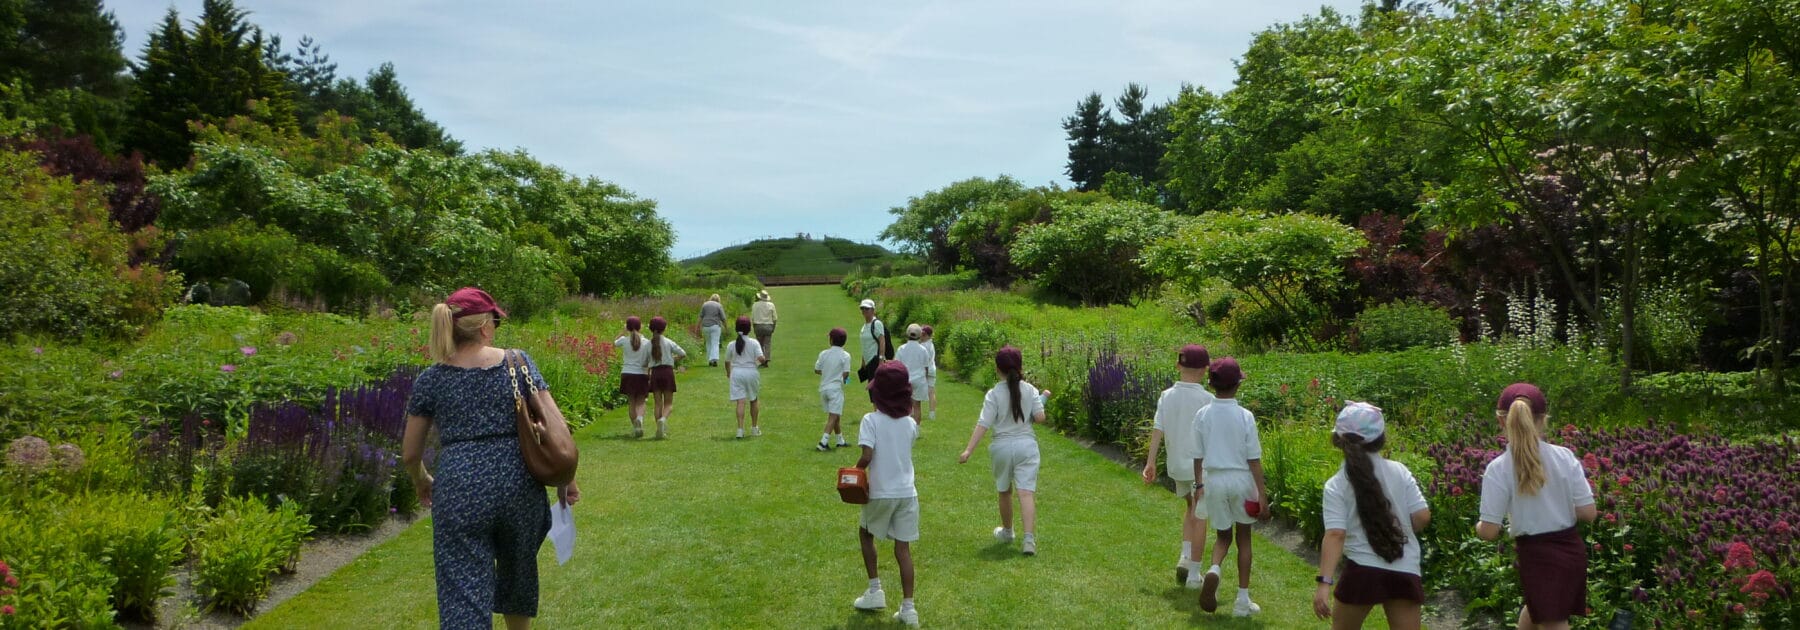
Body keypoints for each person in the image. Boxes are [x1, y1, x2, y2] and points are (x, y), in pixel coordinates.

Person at [401, 287, 580, 630]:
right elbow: (557, 427)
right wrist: (566, 479)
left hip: (459, 488)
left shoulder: (431, 380)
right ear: (485, 327)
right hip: (519, 485)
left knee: (462, 587)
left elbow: (410, 452)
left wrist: (421, 479)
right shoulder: (519, 362)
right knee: (519, 572)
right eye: (495, 320)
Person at [1476, 383, 1597, 630]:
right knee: (1537, 610)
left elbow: (1489, 532)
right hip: (1571, 550)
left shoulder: (1498, 469)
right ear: (1543, 420)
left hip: (1537, 555)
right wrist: (1557, 509)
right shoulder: (1564, 456)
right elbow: (1588, 513)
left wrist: (1478, 527)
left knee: (1553, 620)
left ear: (1501, 421)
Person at [1314, 402, 1431, 630]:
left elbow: (1336, 534)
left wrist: (1324, 584)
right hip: (1403, 567)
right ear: (1381, 438)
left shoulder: (1337, 484)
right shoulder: (1400, 471)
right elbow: (1422, 516)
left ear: (1338, 440)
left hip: (1362, 570)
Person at [1190, 357, 1267, 617]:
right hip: (1241, 479)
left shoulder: (1203, 414)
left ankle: (1213, 569)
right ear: (1237, 385)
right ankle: (1242, 601)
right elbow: (1254, 460)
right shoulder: (1245, 416)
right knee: (1244, 537)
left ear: (1211, 385)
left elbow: (1197, 456)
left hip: (1213, 479)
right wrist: (1262, 496)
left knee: (1223, 536)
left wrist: (1199, 484)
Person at [957, 346, 1050, 556]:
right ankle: (1028, 540)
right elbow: (1040, 417)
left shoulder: (994, 393)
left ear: (997, 369)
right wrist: (1040, 402)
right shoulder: (1030, 389)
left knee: (1004, 491)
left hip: (1001, 447)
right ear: (1020, 367)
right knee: (1026, 493)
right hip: (1027, 446)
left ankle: (1008, 532)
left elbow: (984, 423)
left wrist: (968, 450)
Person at [851, 361, 922, 627]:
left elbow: (867, 455)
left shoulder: (871, 420)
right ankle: (909, 608)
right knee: (902, 549)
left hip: (881, 491)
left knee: (866, 533)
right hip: (907, 493)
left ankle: (875, 590)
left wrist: (854, 472)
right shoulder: (910, 424)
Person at [1141, 344, 1213, 588]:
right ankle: (1193, 572)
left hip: (1177, 465)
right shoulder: (1208, 399)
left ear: (1178, 365)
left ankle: (1184, 554)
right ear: (1205, 369)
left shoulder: (1166, 396)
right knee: (1200, 513)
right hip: (1200, 467)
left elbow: (1157, 429)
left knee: (1190, 506)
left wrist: (1150, 462)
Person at [725, 316, 767, 439]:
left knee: (740, 401)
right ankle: (754, 428)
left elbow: (727, 361)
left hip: (737, 372)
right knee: (753, 400)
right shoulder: (754, 343)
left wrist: (728, 373)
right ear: (749, 328)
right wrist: (757, 364)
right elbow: (761, 358)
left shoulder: (732, 344)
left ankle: (740, 429)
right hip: (751, 372)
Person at [646, 316, 687, 438]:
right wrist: (674, 359)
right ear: (664, 329)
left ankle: (660, 430)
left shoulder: (648, 344)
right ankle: (663, 420)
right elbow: (683, 353)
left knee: (658, 403)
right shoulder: (668, 342)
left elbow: (646, 360)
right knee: (668, 403)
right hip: (667, 372)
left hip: (655, 373)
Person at [815, 327, 854, 451]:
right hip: (835, 389)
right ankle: (823, 442)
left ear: (831, 340)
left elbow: (817, 369)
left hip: (824, 389)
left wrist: (827, 373)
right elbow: (846, 373)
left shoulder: (823, 353)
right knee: (833, 416)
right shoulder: (846, 356)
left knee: (835, 415)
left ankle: (840, 440)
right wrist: (841, 380)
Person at [613, 316, 652, 438]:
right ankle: (640, 418)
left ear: (628, 327)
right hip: (642, 374)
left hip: (627, 373)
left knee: (631, 402)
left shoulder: (624, 340)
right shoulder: (646, 342)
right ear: (640, 327)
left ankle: (635, 427)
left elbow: (615, 342)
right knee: (641, 401)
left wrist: (623, 331)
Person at [895, 324, 934, 422]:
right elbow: (926, 367)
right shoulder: (923, 350)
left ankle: (906, 428)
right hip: (919, 379)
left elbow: (897, 365)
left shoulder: (901, 348)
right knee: (917, 406)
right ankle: (916, 430)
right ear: (919, 335)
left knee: (906, 406)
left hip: (905, 379)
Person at [857, 299, 888, 384]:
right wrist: (863, 361)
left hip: (875, 362)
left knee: (876, 390)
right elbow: (865, 345)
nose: (864, 310)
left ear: (873, 310)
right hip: (868, 363)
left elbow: (882, 341)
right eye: (862, 308)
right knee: (872, 391)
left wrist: (881, 360)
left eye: (867, 308)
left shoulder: (876, 323)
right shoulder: (864, 326)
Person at [699, 294, 726, 367]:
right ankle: (714, 359)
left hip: (705, 326)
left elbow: (701, 316)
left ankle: (710, 360)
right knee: (715, 343)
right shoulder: (719, 305)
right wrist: (726, 327)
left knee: (708, 343)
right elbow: (723, 317)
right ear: (718, 299)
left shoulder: (705, 304)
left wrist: (697, 326)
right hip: (715, 326)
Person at [751, 290, 778, 363]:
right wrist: (773, 328)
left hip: (758, 326)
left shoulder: (755, 305)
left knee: (759, 343)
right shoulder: (771, 305)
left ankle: (761, 358)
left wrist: (754, 327)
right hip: (768, 326)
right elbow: (775, 318)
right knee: (767, 343)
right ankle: (767, 358)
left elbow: (753, 318)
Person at [920, 325, 939, 421]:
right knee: (931, 392)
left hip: (925, 370)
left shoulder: (923, 346)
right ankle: (932, 414)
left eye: (923, 334)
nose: (921, 336)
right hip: (932, 369)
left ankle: (912, 411)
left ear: (927, 335)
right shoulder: (931, 344)